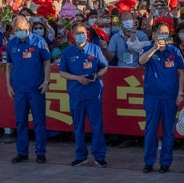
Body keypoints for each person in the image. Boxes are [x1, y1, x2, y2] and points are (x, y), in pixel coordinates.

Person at [59, 23, 109, 167]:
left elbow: (104, 67)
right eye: (77, 33)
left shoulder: (95, 49)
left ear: (86, 34)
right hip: (76, 94)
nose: (80, 35)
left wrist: (97, 76)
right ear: (72, 35)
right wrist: (77, 78)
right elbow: (62, 72)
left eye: (83, 33)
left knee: (97, 126)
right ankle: (81, 155)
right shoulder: (68, 52)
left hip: (94, 94)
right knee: (78, 126)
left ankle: (99, 156)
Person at [139, 21, 184, 173]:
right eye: (161, 32)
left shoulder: (174, 51)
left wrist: (180, 93)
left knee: (168, 130)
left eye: (166, 32)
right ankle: (149, 162)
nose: (164, 35)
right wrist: (154, 48)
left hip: (170, 97)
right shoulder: (148, 50)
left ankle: (165, 162)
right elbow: (141, 61)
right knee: (151, 130)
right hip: (152, 97)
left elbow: (180, 73)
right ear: (154, 35)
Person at [6, 15, 51, 163]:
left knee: (39, 121)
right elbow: (9, 66)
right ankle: (22, 152)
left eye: (21, 28)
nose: (18, 31)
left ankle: (40, 153)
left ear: (28, 26)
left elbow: (46, 62)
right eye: (15, 29)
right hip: (19, 89)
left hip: (36, 88)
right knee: (21, 121)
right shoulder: (11, 44)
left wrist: (46, 82)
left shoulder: (39, 42)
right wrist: (8, 85)